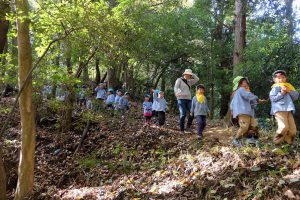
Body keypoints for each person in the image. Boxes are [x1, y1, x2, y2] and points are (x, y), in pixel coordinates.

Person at [269, 70, 299, 145]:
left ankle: (288, 144)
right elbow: (272, 98)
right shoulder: (275, 87)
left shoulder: (288, 86)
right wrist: (281, 93)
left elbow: (296, 96)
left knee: (293, 130)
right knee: (283, 127)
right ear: (274, 80)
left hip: (289, 110)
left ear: (286, 78)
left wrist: (289, 91)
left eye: (283, 77)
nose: (281, 79)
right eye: (278, 78)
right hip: (279, 110)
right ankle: (275, 143)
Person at [230, 76, 260, 146]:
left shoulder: (244, 92)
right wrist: (257, 98)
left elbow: (252, 103)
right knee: (244, 126)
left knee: (254, 125)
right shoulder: (241, 90)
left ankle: (250, 139)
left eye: (246, 82)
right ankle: (236, 139)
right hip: (243, 112)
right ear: (239, 84)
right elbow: (248, 96)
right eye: (244, 82)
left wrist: (257, 101)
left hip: (249, 113)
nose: (246, 84)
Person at [174, 69, 199, 133]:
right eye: (188, 74)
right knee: (183, 114)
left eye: (190, 75)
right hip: (181, 99)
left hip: (188, 99)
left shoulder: (190, 81)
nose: (189, 75)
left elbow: (197, 79)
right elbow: (175, 87)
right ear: (185, 74)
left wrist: (192, 74)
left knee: (192, 112)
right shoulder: (179, 80)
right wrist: (177, 92)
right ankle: (182, 129)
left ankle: (188, 127)